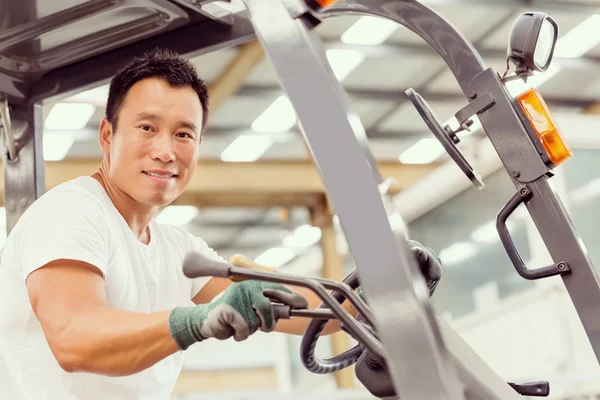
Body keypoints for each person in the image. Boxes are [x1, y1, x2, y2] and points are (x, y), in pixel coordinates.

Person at [0, 48, 442, 400]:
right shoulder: (72, 213)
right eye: (147, 128)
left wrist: (381, 292)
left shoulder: (177, 248)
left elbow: (309, 313)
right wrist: (193, 322)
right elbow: (75, 339)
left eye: (183, 134)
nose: (165, 151)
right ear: (108, 136)